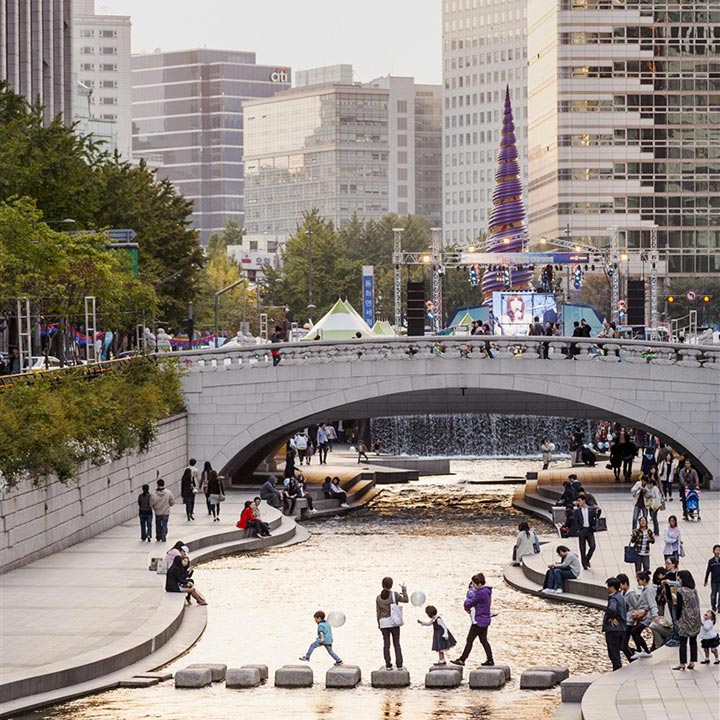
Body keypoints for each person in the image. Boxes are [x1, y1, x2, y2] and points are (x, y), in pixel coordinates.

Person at [451, 573, 494, 666]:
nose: (473, 586)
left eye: (474, 584)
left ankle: (462, 659)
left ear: (479, 584)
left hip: (478, 621)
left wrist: (466, 603)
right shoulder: (487, 591)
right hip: (485, 620)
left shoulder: (480, 593)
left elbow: (470, 603)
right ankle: (490, 659)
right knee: (484, 641)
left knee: (469, 640)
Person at [376, 577, 408, 670]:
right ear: (391, 585)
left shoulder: (378, 598)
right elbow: (406, 600)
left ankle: (388, 665)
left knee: (386, 645)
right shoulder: (395, 595)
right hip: (394, 623)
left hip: (383, 624)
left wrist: (379, 624)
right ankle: (399, 665)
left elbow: (378, 612)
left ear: (382, 585)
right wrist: (404, 590)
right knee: (396, 644)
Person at [673, 570, 701, 670]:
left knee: (683, 642)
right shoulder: (694, 590)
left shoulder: (681, 592)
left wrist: (676, 618)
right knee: (693, 641)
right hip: (695, 619)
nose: (678, 580)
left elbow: (679, 607)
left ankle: (682, 663)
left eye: (679, 578)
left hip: (684, 619)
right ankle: (692, 662)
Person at [629, 570, 658, 658]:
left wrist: (654, 615)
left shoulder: (649, 590)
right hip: (644, 615)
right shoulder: (646, 589)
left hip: (646, 616)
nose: (638, 582)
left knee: (634, 631)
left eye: (639, 580)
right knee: (635, 632)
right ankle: (641, 650)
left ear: (644, 580)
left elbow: (652, 603)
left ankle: (644, 651)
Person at [603, 577, 628, 671]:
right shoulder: (621, 596)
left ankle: (617, 669)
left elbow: (612, 609)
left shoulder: (613, 598)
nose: (607, 588)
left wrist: (612, 618)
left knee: (613, 651)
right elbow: (627, 607)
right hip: (622, 628)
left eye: (608, 586)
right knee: (618, 649)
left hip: (613, 629)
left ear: (612, 587)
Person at [574, 495, 598, 570]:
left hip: (589, 530)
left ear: (584, 501)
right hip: (582, 530)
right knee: (582, 548)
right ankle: (584, 563)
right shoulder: (577, 511)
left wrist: (598, 510)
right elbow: (576, 521)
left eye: (580, 501)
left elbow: (596, 516)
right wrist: (578, 529)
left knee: (592, 546)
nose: (579, 502)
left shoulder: (591, 509)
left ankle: (587, 559)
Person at [150, 478, 174, 542]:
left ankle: (158, 536)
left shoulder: (154, 494)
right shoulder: (168, 493)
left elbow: (151, 503)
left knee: (158, 525)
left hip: (157, 512)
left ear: (157, 485)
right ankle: (163, 537)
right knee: (164, 525)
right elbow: (172, 502)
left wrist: (155, 508)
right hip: (166, 512)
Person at [704, 544, 720, 612]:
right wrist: (706, 580)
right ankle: (713, 605)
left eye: (719, 550)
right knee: (713, 595)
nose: (718, 551)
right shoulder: (711, 561)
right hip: (714, 581)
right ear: (713, 551)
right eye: (716, 550)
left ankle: (719, 608)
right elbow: (708, 571)